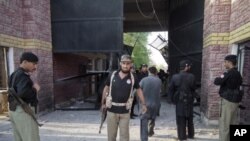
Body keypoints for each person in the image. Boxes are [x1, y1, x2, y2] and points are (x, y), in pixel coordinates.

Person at [101, 54, 147, 141]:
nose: (125, 65)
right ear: (120, 63)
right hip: (111, 111)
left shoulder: (133, 77)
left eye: (128, 63)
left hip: (125, 112)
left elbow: (139, 90)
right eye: (124, 63)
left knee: (125, 138)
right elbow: (106, 88)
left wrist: (144, 104)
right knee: (111, 137)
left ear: (131, 64)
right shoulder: (112, 75)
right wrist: (102, 103)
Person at [8, 52, 40, 141]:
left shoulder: (14, 74)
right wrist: (35, 89)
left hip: (15, 110)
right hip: (24, 111)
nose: (35, 67)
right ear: (25, 62)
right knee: (31, 138)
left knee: (20, 138)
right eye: (34, 64)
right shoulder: (22, 75)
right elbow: (23, 93)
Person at [214, 55, 243, 141]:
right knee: (233, 123)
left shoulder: (228, 73)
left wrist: (219, 77)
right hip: (235, 102)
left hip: (227, 101)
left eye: (225, 62)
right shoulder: (238, 73)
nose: (224, 64)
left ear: (229, 62)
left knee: (224, 125)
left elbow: (217, 81)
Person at [168, 60, 196, 141]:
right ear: (186, 67)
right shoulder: (192, 76)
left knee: (180, 119)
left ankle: (182, 136)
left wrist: (171, 99)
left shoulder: (174, 77)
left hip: (179, 100)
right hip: (189, 99)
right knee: (190, 118)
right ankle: (191, 135)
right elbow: (193, 88)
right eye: (188, 66)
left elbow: (170, 89)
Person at [139, 66, 162, 141]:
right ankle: (150, 131)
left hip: (145, 104)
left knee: (144, 121)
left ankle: (144, 138)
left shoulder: (143, 80)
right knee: (152, 118)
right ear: (155, 72)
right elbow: (159, 92)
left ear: (149, 72)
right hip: (155, 104)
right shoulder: (159, 81)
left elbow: (138, 90)